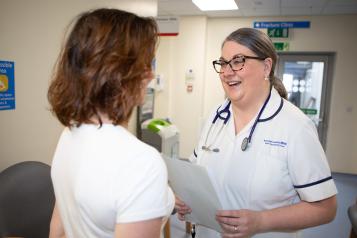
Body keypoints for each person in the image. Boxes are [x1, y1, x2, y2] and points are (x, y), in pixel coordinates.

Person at [175, 28, 337, 238]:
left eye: (238, 61)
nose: (226, 71)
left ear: (266, 67)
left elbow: (326, 208)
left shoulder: (295, 126)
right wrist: (187, 197)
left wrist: (262, 221)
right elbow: (197, 175)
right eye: (223, 63)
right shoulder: (216, 116)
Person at [47, 8, 174, 238]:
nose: (150, 75)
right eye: (145, 64)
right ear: (118, 73)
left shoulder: (69, 133)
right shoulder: (142, 162)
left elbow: (58, 226)